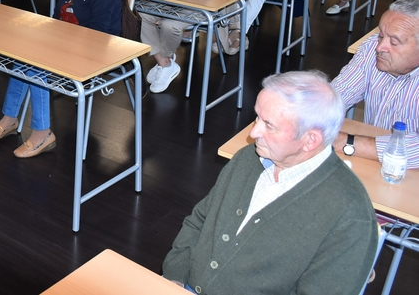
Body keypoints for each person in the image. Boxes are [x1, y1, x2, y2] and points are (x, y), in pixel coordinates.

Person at [162, 71, 378, 295]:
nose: (254, 132)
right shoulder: (249, 158)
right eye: (257, 117)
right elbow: (200, 220)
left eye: (269, 125)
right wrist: (174, 277)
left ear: (310, 140)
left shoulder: (350, 215)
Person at [0, 0, 122, 158]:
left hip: (97, 51)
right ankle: (9, 118)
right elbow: (60, 19)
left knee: (39, 63)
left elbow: (99, 35)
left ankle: (42, 133)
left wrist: (60, 44)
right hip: (69, 43)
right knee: (26, 54)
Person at [331, 0, 419, 168]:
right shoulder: (371, 49)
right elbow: (336, 95)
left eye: (394, 42)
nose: (380, 47)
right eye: (380, 36)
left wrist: (346, 142)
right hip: (374, 163)